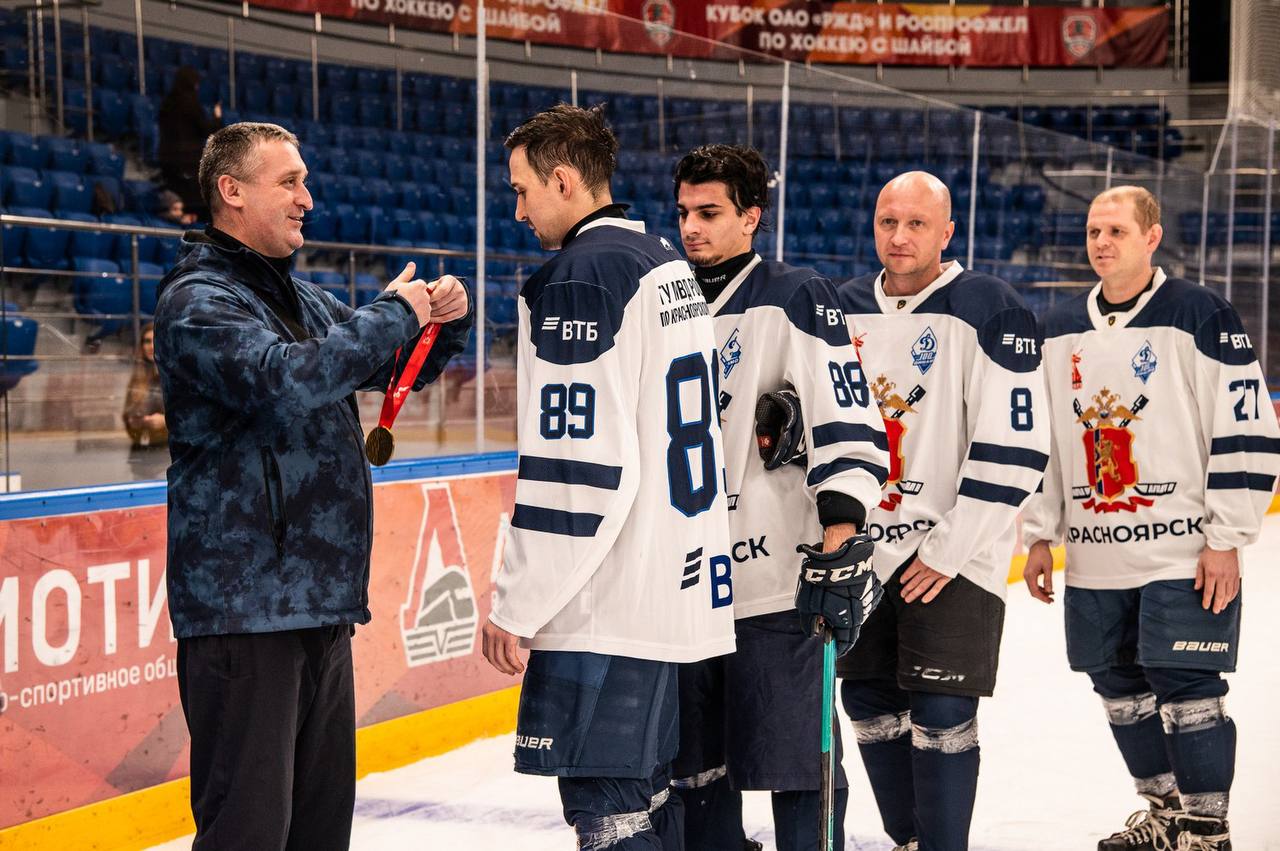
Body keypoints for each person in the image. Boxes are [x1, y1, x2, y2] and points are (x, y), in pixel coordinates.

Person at [153, 121, 473, 851]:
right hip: (245, 613)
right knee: (250, 833)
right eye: (289, 181)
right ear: (231, 191)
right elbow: (284, 382)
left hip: (318, 607)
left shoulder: (303, 300)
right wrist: (394, 312)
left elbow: (386, 371)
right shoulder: (199, 301)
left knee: (320, 831)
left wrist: (438, 325)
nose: (308, 198)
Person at [482, 105, 735, 851]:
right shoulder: (661, 260)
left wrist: (517, 600)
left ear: (563, 179)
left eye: (524, 189)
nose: (520, 209)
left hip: (606, 602)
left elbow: (579, 470)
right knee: (648, 799)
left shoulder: (579, 278)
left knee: (607, 809)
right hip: (671, 589)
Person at [1022, 186, 1280, 851]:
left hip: (1183, 551)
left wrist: (1225, 538)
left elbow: (1246, 427)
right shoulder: (1057, 328)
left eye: (1115, 230)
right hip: (1097, 555)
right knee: (1117, 684)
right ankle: (1165, 812)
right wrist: (1041, 533)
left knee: (1186, 684)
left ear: (1151, 236)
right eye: (1091, 231)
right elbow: (1045, 439)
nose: (1101, 242)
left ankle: (1206, 830)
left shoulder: (1198, 312)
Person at [669, 144, 888, 851]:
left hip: (770, 586)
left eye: (710, 212)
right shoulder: (665, 300)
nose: (691, 228)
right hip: (683, 591)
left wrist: (841, 533)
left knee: (798, 764)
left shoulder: (795, 296)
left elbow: (848, 421)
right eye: (682, 213)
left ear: (751, 217)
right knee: (693, 772)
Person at [836, 172, 1049, 851]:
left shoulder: (990, 305)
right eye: (887, 221)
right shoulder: (840, 308)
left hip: (955, 557)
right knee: (867, 702)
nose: (898, 237)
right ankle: (909, 839)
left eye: (917, 224)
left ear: (947, 231)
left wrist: (946, 549)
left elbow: (1016, 448)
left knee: (942, 710)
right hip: (863, 557)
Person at [158, 66, 222, 222]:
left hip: (167, 157)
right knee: (197, 200)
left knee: (176, 197)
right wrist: (217, 117)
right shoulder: (191, 103)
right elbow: (206, 130)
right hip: (187, 159)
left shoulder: (167, 103)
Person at [123, 322, 166, 449]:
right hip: (142, 446)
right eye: (147, 341)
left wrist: (165, 422)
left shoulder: (174, 375)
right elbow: (127, 415)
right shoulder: (138, 377)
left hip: (169, 449)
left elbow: (190, 416)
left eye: (155, 341)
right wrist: (133, 422)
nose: (151, 346)